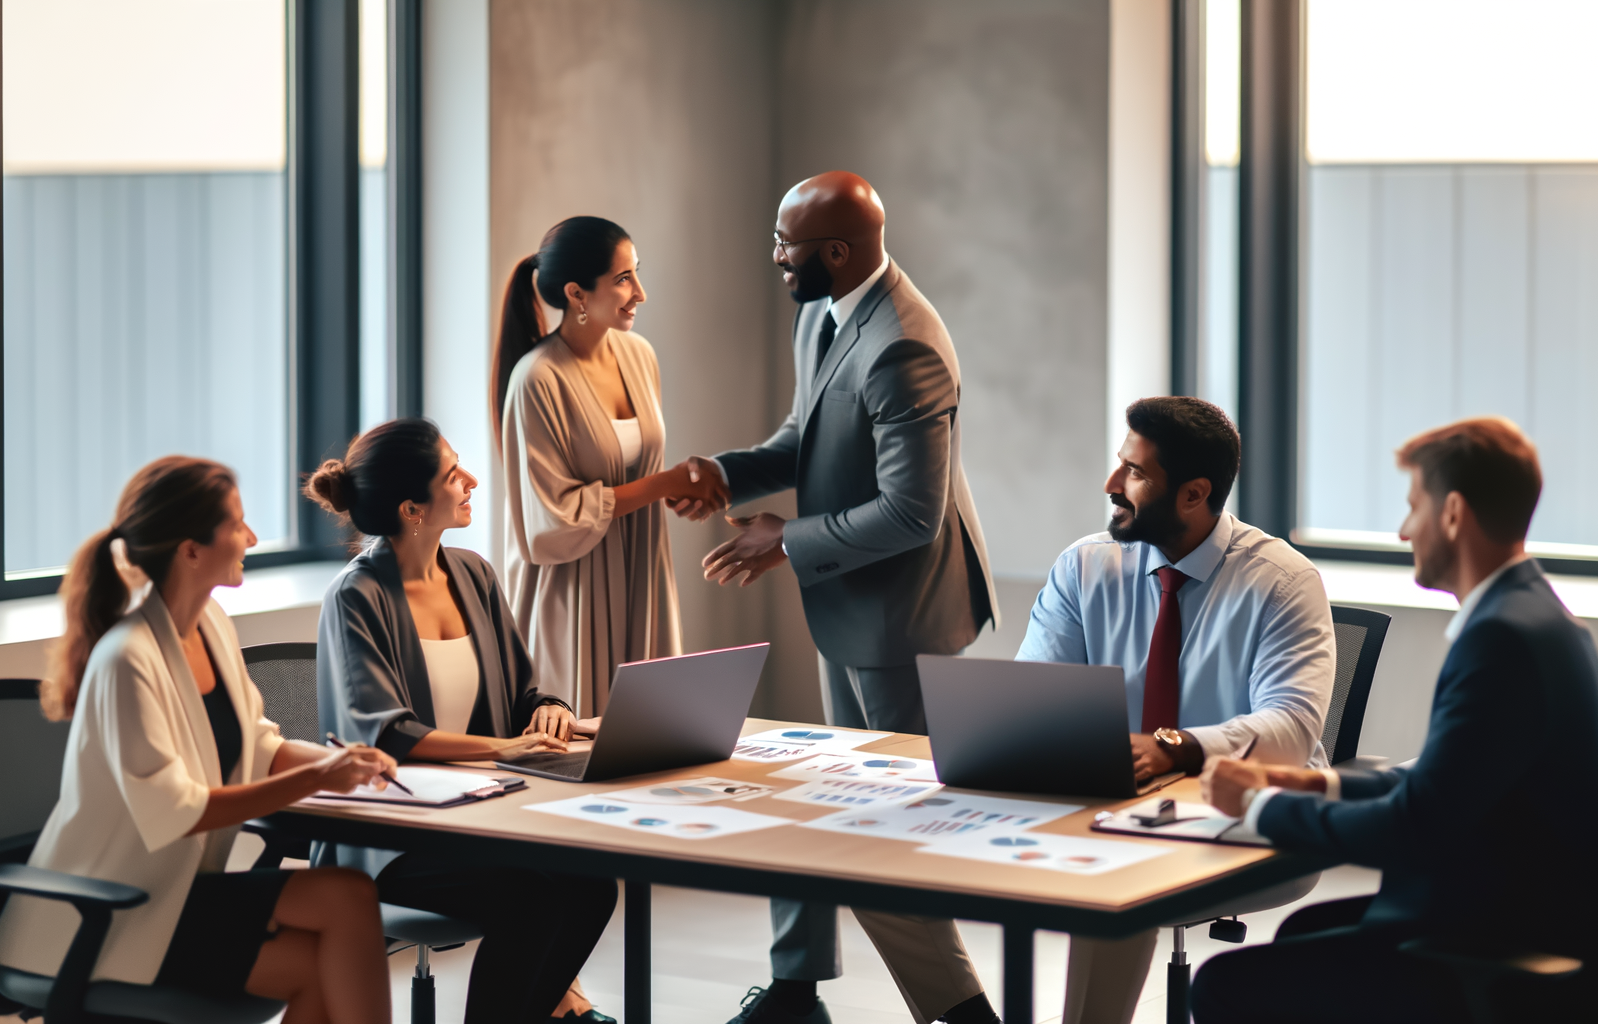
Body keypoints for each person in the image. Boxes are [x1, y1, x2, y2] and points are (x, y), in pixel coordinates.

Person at [855, 396, 1338, 1024]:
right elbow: (1033, 697)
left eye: (1134, 473)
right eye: (1120, 464)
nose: (1112, 484)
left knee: (1114, 879)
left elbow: (1292, 731)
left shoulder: (1282, 581)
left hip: (1236, 811)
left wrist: (1174, 746)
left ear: (1194, 495)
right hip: (1098, 794)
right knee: (873, 862)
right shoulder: (1086, 566)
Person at [1192, 417, 1598, 1024]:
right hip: (1534, 914)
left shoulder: (1500, 638)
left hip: (1504, 944)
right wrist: (1322, 783)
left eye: (1412, 507)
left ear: (1452, 514)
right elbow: (1443, 781)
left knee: (1223, 984)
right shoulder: (1539, 618)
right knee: (1302, 931)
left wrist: (1256, 808)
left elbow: (1415, 826)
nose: (1403, 531)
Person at [690, 171, 998, 1024]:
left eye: (786, 244)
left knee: (889, 836)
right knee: (825, 797)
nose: (774, 257)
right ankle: (795, 992)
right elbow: (807, 440)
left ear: (834, 251)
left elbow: (911, 512)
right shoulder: (822, 312)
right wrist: (722, 477)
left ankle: (963, 1012)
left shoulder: (906, 345)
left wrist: (783, 541)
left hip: (902, 617)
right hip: (847, 602)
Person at [0, 457, 394, 1024]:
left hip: (175, 894)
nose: (251, 537)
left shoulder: (210, 624)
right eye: (237, 525)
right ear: (190, 549)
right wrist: (319, 777)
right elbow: (176, 812)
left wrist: (346, 762)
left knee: (348, 898)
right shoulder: (126, 658)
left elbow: (258, 746)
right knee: (320, 955)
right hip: (109, 912)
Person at [308, 417, 621, 1024]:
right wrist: (508, 749)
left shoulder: (473, 573)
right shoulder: (356, 596)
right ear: (412, 508)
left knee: (592, 884)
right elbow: (387, 734)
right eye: (453, 474)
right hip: (394, 837)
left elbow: (523, 694)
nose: (471, 479)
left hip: (480, 818)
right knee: (532, 897)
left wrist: (552, 713)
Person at [494, 215, 730, 717]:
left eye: (635, 273)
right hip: (573, 594)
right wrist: (659, 483)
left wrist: (672, 490)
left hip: (642, 573)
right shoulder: (537, 380)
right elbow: (550, 521)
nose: (639, 292)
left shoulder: (640, 356)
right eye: (623, 279)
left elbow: (635, 471)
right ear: (577, 294)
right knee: (583, 756)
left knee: (655, 737)